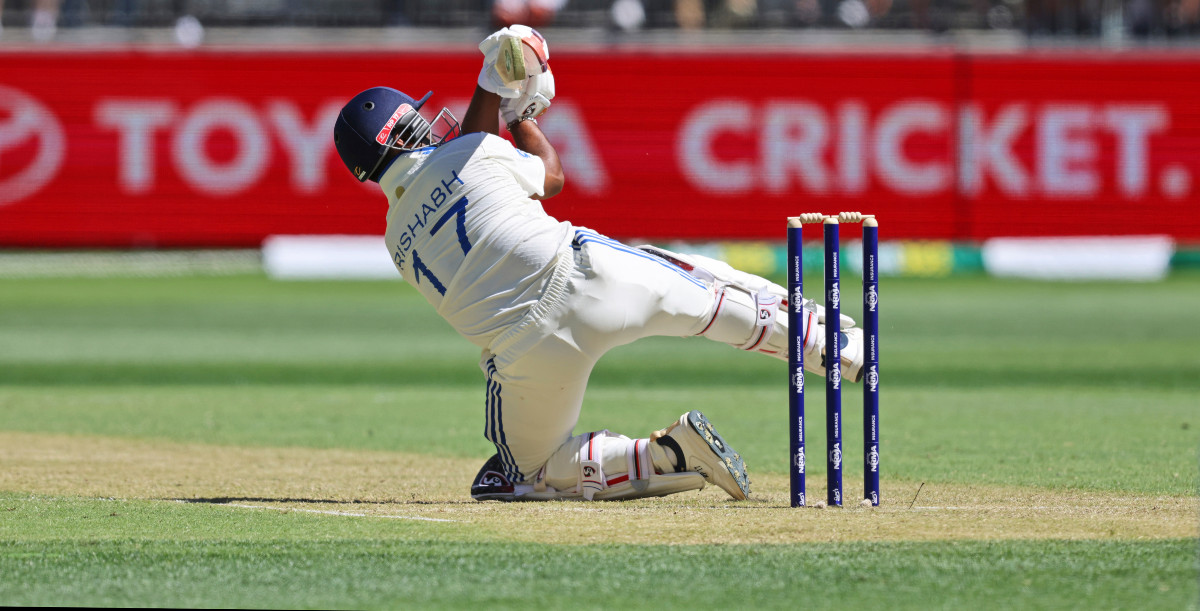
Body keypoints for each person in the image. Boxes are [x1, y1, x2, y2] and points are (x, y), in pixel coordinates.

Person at [331, 25, 864, 502]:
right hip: (590, 277)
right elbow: (550, 176)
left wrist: (495, 95)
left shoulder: (394, 240)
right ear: (401, 132)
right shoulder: (473, 151)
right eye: (417, 121)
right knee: (709, 295)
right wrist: (513, 110)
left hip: (526, 354)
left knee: (523, 475)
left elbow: (459, 162)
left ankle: (665, 457)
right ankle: (831, 345)